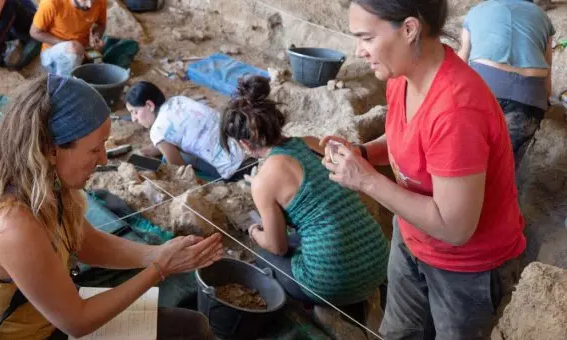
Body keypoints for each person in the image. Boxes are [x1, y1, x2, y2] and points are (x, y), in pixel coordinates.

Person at [0, 74, 223, 339]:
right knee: (190, 331)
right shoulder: (13, 225)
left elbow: (84, 240)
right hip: (39, 333)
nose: (103, 159)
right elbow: (77, 322)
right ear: (50, 149)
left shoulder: (46, 183)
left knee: (192, 325)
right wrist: (159, 269)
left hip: (50, 318)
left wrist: (155, 254)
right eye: (94, 149)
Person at [323, 1, 526, 339]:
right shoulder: (402, 76)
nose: (359, 51)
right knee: (399, 332)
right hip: (412, 236)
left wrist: (366, 180)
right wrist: (364, 153)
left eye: (367, 38)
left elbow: (454, 228)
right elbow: (407, 134)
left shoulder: (457, 109)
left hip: (466, 267)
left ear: (409, 29)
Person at [220, 76, 389, 324]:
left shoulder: (264, 180)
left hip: (336, 283)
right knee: (309, 234)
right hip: (379, 260)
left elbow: (278, 247)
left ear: (244, 143)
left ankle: (316, 311)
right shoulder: (310, 142)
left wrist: (255, 232)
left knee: (264, 254)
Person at [458, 0, 555, 167]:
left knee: (471, 159)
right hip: (529, 100)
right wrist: (543, 102)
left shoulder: (476, 11)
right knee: (505, 164)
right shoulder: (543, 17)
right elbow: (547, 71)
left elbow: (461, 60)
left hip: (483, 91)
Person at [125, 81, 255, 181]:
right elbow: (176, 136)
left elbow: (178, 167)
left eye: (135, 112)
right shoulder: (178, 101)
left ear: (149, 105)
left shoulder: (157, 131)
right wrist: (147, 151)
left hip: (236, 171)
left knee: (171, 158)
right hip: (251, 150)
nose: (134, 119)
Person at [29, 0, 106, 76]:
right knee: (74, 49)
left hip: (82, 48)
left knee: (99, 52)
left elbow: (101, 24)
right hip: (52, 53)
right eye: (84, 0)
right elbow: (34, 32)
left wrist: (96, 36)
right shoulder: (51, 3)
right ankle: (63, 82)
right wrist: (68, 45)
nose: (89, 5)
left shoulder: (100, 1)